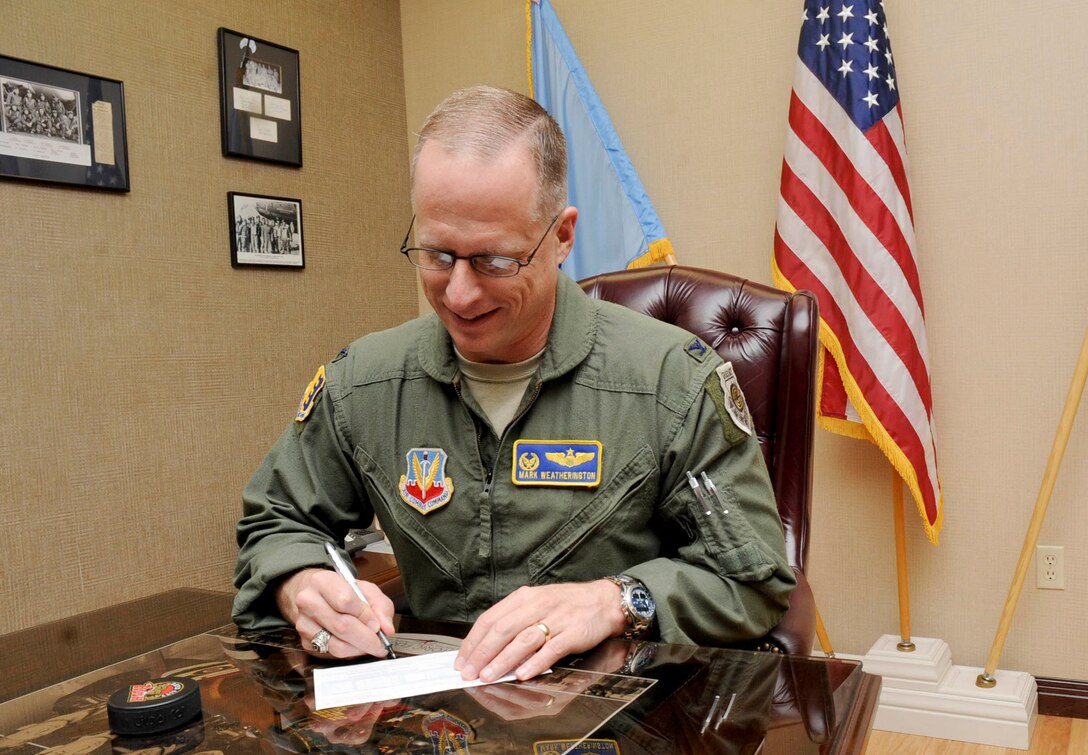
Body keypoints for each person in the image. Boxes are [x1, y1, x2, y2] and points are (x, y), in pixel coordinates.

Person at [232, 85, 795, 685]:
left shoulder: (670, 384)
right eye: (437, 255)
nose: (459, 294)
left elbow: (750, 581)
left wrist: (613, 601)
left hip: (617, 721)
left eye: (495, 261)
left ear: (561, 237)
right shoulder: (362, 383)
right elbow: (277, 524)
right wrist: (302, 585)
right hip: (428, 720)